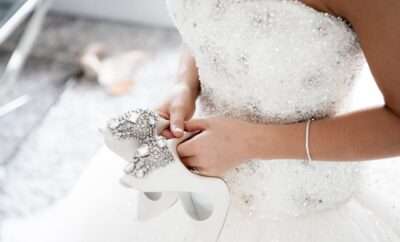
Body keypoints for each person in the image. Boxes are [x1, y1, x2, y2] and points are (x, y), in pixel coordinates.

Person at [3, 0, 400, 241]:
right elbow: (211, 25)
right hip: (188, 166)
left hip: (298, 202)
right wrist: (184, 86)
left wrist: (251, 143)